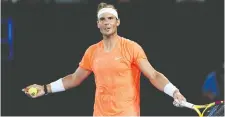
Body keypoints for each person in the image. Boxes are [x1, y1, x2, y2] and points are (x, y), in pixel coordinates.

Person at [22, 2, 187, 116]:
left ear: (118, 22)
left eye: (110, 18)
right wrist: (44, 88)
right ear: (98, 24)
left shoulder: (131, 47)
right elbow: (74, 78)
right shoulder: (92, 52)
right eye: (103, 19)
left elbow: (154, 75)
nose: (107, 22)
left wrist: (174, 91)